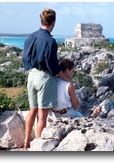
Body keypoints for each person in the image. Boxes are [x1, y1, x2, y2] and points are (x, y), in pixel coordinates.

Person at [22, 8, 69, 149]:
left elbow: (25, 57)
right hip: (44, 78)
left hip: (31, 75)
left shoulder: (31, 36)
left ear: (41, 20)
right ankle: (37, 145)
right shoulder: (50, 41)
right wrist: (65, 77)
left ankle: (26, 142)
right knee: (42, 115)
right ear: (53, 22)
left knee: (32, 110)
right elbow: (53, 65)